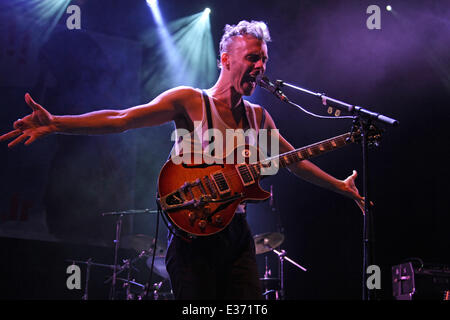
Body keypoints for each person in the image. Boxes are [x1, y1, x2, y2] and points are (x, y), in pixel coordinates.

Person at [0, 20, 365, 300]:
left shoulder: (258, 117)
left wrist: (340, 187)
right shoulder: (190, 101)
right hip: (193, 235)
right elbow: (123, 119)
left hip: (237, 235)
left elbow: (292, 160)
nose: (260, 66)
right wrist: (57, 123)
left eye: (264, 60)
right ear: (225, 59)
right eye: (252, 58)